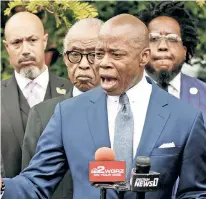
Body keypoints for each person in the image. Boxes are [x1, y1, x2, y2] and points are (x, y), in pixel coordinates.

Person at [1, 14, 206, 199]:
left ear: (144, 56)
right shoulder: (68, 113)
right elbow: (34, 183)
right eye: (99, 54)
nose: (102, 64)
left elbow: (195, 193)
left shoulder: (184, 118)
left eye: (116, 55)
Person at [21, 18, 102, 199]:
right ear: (65, 58)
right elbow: (30, 185)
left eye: (93, 55)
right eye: (75, 54)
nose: (83, 64)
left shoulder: (122, 110)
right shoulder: (43, 114)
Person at [1, 11, 72, 178]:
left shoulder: (72, 92)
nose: (25, 50)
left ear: (45, 41)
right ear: (7, 47)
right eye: (17, 42)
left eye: (32, 40)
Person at [138, 1, 206, 121]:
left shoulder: (204, 94)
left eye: (172, 39)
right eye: (153, 39)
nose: (163, 46)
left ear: (185, 51)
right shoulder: (120, 92)